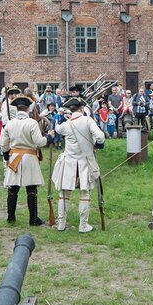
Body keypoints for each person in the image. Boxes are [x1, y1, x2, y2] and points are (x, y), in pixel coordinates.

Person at [52, 97, 104, 232]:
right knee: (84, 194)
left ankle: (61, 224)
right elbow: (100, 136)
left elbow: (57, 129)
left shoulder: (66, 124)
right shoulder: (87, 120)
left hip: (68, 162)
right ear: (81, 108)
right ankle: (83, 225)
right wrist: (97, 144)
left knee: (64, 194)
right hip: (84, 162)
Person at [0, 94, 51, 226]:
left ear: (17, 109)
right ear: (28, 109)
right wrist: (49, 138)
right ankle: (33, 219)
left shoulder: (10, 124)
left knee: (12, 189)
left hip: (14, 157)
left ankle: (11, 217)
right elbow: (39, 142)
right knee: (31, 189)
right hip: (29, 158)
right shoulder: (32, 123)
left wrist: (7, 158)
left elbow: (3, 145)